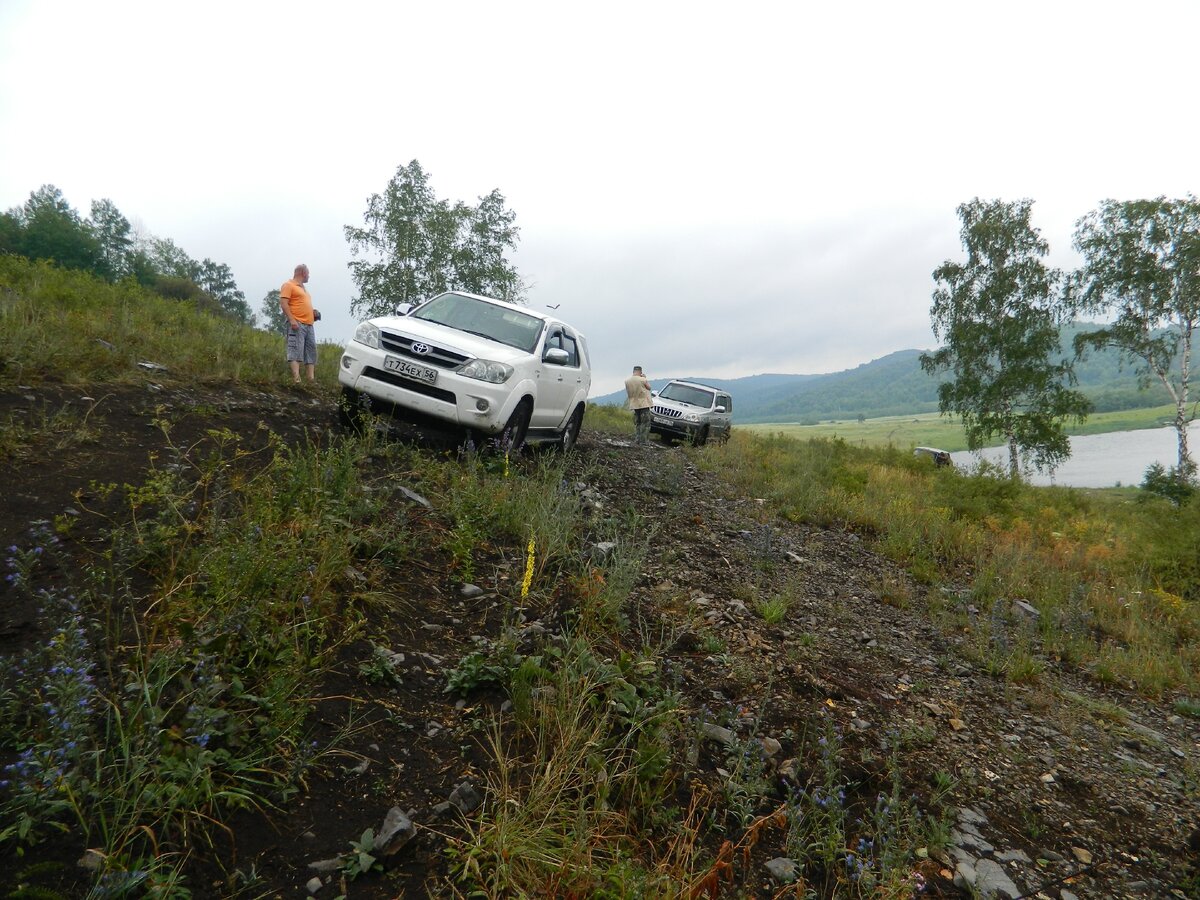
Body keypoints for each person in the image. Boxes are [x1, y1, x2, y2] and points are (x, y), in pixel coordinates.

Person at [280, 264, 317, 384]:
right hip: (297, 323)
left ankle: (311, 379)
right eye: (308, 273)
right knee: (295, 349)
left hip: (309, 324)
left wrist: (313, 313)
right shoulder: (288, 285)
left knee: (311, 351)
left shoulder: (303, 289)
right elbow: (284, 303)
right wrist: (291, 320)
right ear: (303, 273)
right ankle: (297, 379)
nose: (309, 276)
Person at [624, 365, 652, 445]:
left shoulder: (627, 381)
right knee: (645, 423)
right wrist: (645, 378)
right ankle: (644, 441)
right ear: (640, 372)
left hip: (634, 404)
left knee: (637, 423)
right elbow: (649, 387)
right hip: (643, 403)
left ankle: (637, 439)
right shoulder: (642, 379)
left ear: (633, 371)